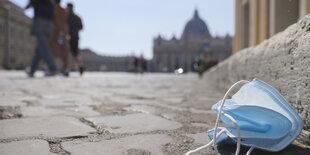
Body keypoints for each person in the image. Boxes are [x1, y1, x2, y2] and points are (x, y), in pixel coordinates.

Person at [26, 0, 57, 77]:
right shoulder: (51, 2)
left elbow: (28, 6)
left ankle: (52, 68)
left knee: (44, 47)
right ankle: (32, 70)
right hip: (50, 24)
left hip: (40, 22)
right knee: (40, 48)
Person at [51, 0, 70, 76]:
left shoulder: (56, 9)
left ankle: (62, 67)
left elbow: (60, 22)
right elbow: (64, 22)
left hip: (58, 32)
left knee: (59, 50)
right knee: (63, 50)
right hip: (62, 32)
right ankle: (64, 67)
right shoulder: (62, 9)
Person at [67, 3, 84, 75]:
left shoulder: (67, 16)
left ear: (69, 7)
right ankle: (80, 65)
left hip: (68, 37)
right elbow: (81, 27)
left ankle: (66, 68)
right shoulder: (77, 17)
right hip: (75, 37)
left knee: (67, 53)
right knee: (75, 53)